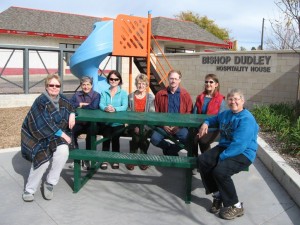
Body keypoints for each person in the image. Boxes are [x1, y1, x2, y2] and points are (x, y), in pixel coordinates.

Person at [197, 89, 259, 220]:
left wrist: (222, 157)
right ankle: (218, 195)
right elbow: (214, 118)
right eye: (230, 99)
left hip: (244, 153)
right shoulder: (226, 114)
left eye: (236, 99)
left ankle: (236, 206)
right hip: (226, 147)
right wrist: (206, 123)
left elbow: (239, 145)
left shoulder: (246, 119)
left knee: (220, 171)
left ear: (242, 101)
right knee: (203, 160)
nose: (233, 102)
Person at [21, 73, 75, 202]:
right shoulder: (41, 100)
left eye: (57, 85)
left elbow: (72, 106)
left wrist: (72, 113)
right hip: (37, 135)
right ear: (46, 86)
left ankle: (50, 183)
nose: (55, 88)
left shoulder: (62, 98)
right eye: (51, 85)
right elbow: (43, 123)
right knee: (42, 160)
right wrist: (62, 134)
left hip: (54, 135)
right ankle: (30, 189)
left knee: (63, 152)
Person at [150, 69, 193, 156]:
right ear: (168, 79)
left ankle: (171, 150)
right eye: (171, 78)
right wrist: (163, 125)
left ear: (179, 80)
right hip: (164, 126)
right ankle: (168, 147)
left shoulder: (185, 95)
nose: (173, 81)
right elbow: (156, 113)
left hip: (179, 127)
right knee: (154, 139)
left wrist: (179, 126)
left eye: (176, 79)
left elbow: (189, 113)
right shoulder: (160, 94)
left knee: (188, 138)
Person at [69, 76, 100, 170]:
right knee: (71, 131)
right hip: (79, 122)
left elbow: (94, 106)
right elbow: (68, 104)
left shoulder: (96, 95)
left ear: (91, 85)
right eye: (83, 84)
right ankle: (77, 157)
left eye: (88, 84)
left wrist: (82, 107)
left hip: (91, 123)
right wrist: (80, 104)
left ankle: (88, 158)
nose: (86, 87)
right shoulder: (77, 95)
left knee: (91, 134)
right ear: (81, 85)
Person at [99, 70, 128, 170]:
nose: (113, 81)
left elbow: (124, 106)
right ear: (108, 80)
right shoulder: (104, 92)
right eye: (111, 79)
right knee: (106, 138)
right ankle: (105, 159)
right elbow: (101, 104)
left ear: (119, 80)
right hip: (106, 122)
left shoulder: (123, 93)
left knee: (115, 138)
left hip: (118, 122)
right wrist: (105, 108)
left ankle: (115, 159)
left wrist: (115, 109)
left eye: (116, 79)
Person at [126, 73, 155, 170]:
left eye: (143, 83)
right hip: (133, 125)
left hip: (146, 125)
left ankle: (142, 158)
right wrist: (135, 126)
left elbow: (151, 114)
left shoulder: (150, 97)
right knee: (136, 136)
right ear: (136, 84)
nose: (141, 86)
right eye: (139, 83)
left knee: (142, 135)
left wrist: (143, 127)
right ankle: (133, 159)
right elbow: (128, 112)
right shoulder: (130, 96)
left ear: (146, 85)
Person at [193, 74, 226, 156]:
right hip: (199, 126)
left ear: (216, 85)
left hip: (213, 128)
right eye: (206, 82)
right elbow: (194, 114)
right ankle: (193, 162)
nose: (208, 84)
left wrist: (207, 125)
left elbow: (221, 118)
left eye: (211, 82)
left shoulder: (220, 100)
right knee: (192, 139)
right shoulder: (200, 97)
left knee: (203, 141)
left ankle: (207, 161)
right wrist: (198, 128)